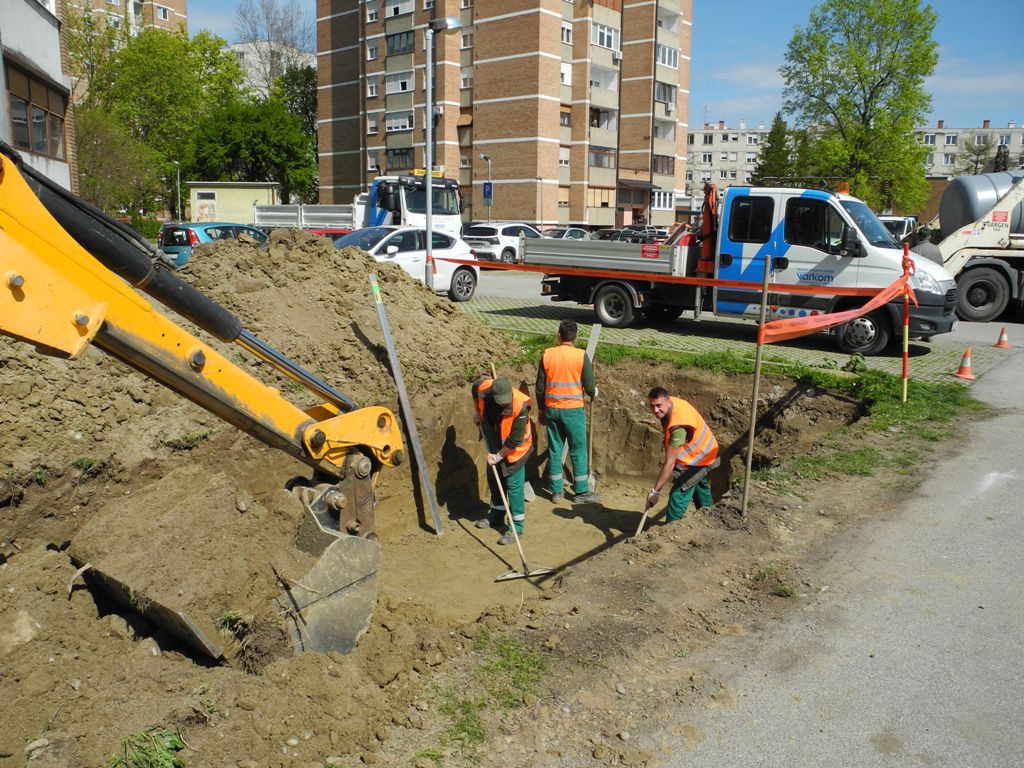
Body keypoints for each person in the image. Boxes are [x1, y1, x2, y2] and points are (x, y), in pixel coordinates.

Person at [536, 320, 601, 503]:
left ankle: (556, 492)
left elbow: (540, 387)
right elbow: (589, 387)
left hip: (552, 409)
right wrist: (593, 391)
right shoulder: (580, 356)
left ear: (558, 335)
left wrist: (541, 409)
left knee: (555, 450)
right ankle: (581, 492)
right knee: (578, 449)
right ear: (575, 337)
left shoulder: (547, 355)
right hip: (573, 410)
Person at [471, 376, 534, 545]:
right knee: (494, 478)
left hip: (516, 451)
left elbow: (514, 441)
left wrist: (498, 456)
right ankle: (496, 515)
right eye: (501, 402)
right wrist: (477, 411)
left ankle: (517, 528)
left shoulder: (520, 405)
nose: (504, 404)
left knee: (513, 487)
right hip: (494, 441)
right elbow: (474, 389)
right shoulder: (484, 388)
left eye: (506, 401)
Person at [645, 387, 720, 523]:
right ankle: (711, 520)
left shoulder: (678, 427)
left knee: (678, 494)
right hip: (705, 451)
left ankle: (670, 529)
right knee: (700, 486)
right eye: (652, 406)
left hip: (699, 457)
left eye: (658, 406)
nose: (655, 410)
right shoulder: (672, 403)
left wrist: (655, 492)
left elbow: (670, 463)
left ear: (668, 402)